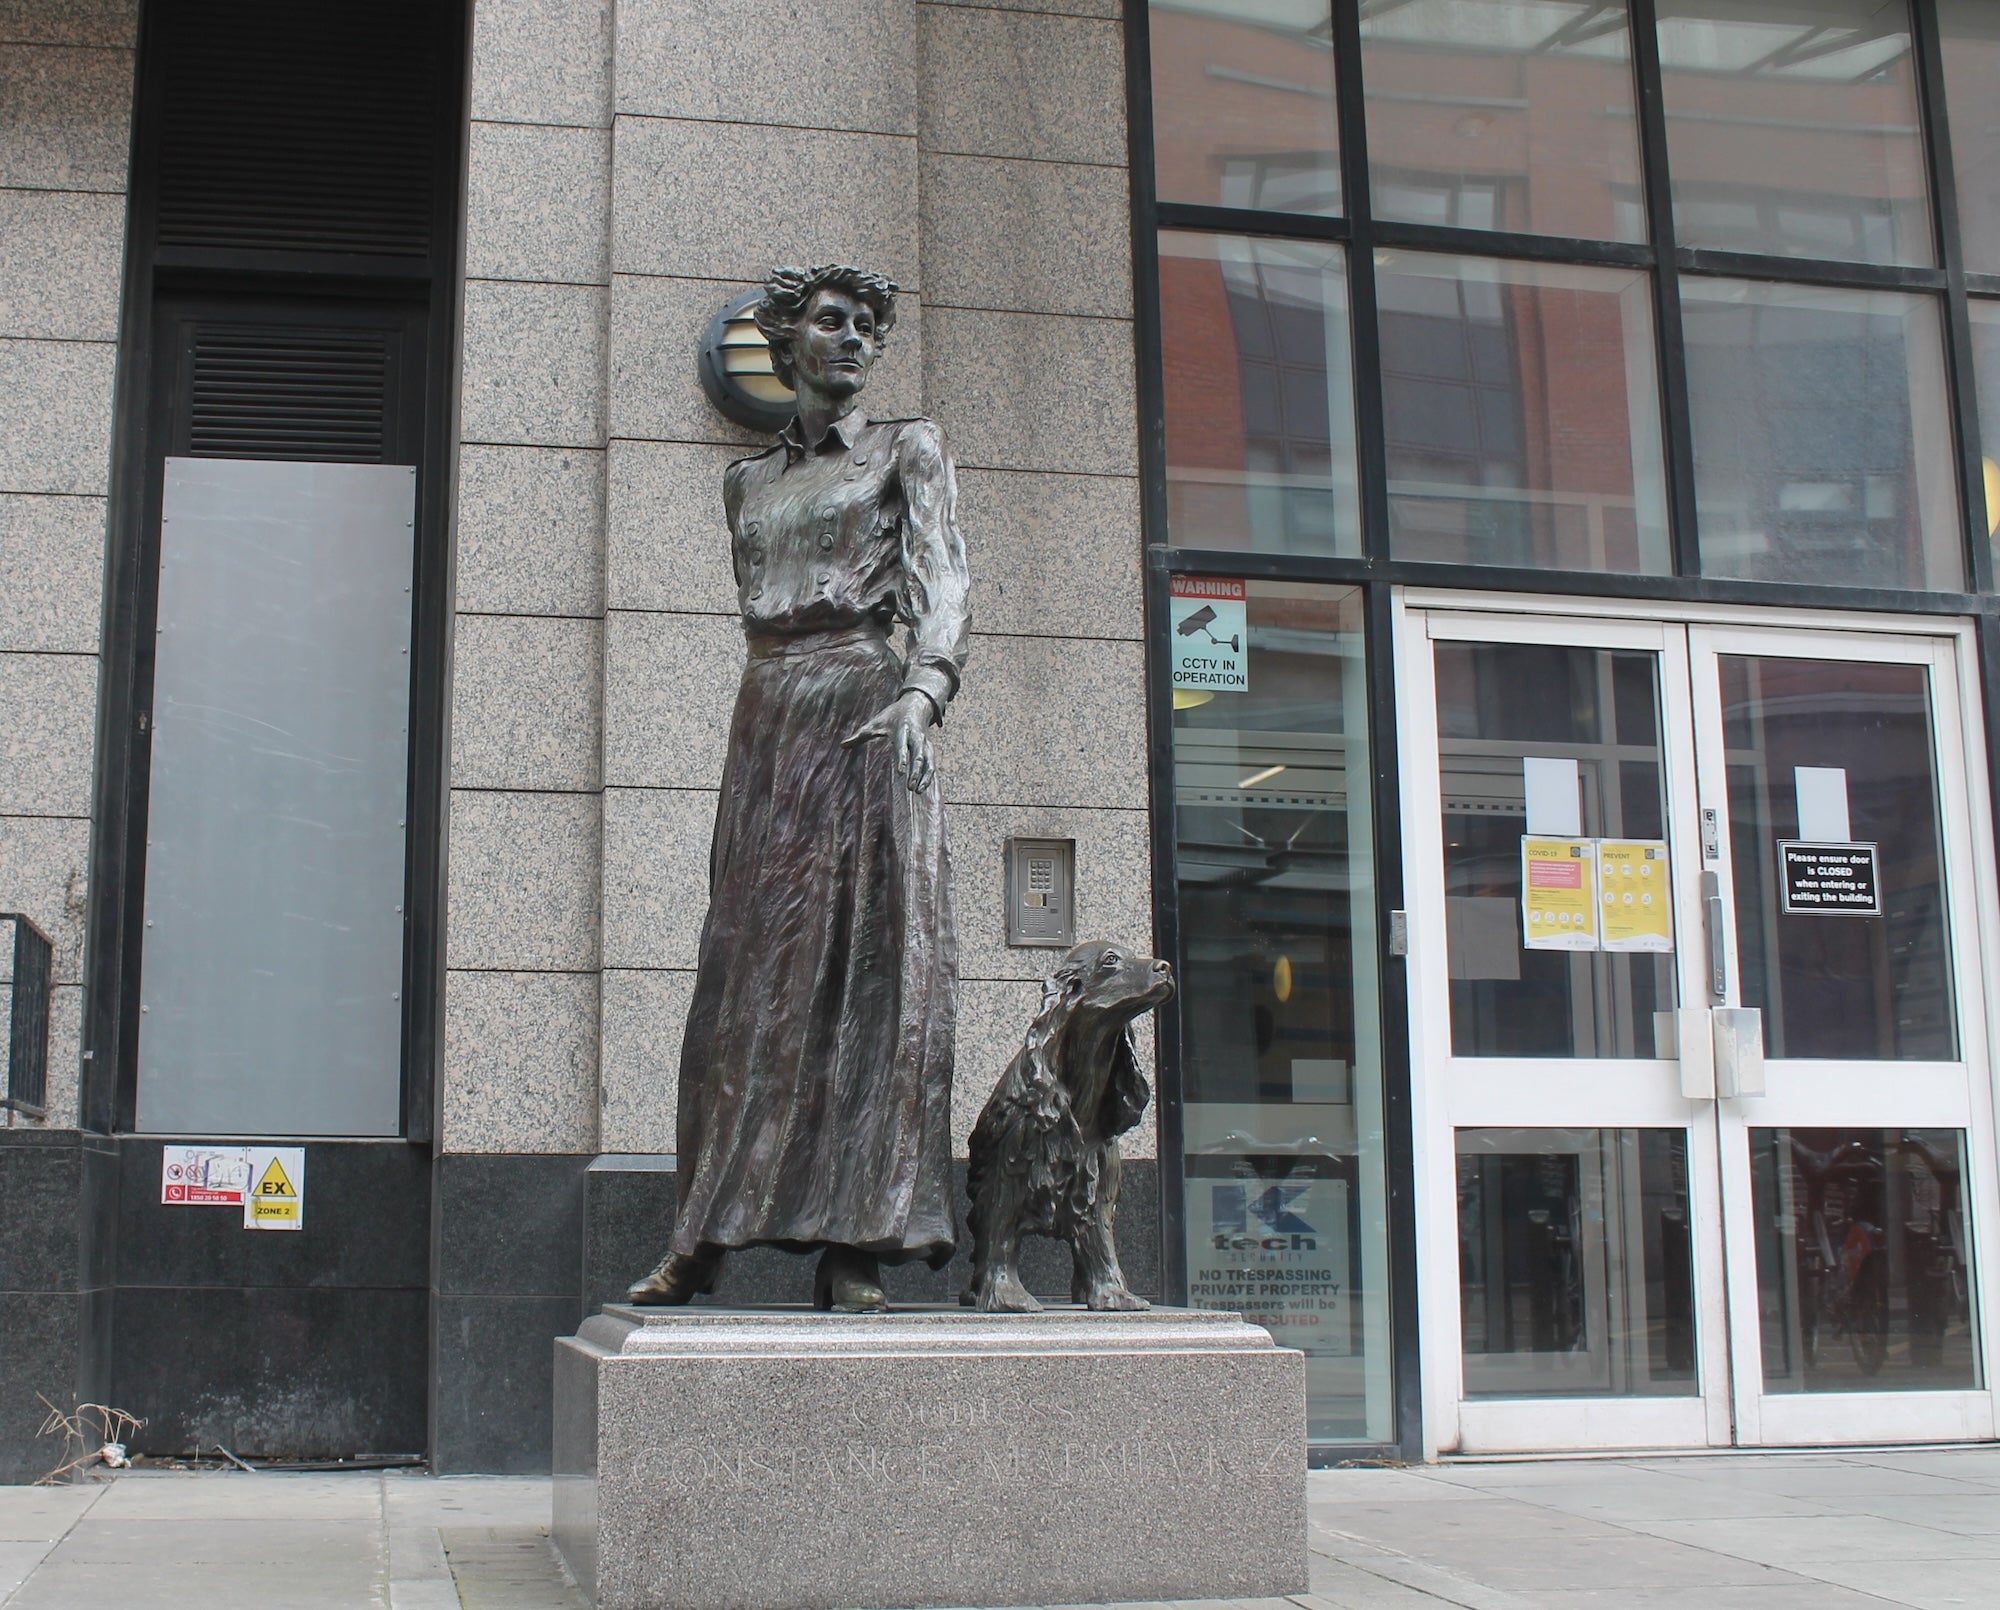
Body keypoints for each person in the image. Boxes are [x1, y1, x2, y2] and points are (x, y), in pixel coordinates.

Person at [626, 264, 970, 1312]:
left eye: (867, 324)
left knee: (868, 967)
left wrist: (924, 689)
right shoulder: (746, 481)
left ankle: (854, 1241)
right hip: (769, 712)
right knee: (745, 973)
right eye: (832, 321)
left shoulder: (904, 448)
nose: (854, 338)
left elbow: (942, 572)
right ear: (786, 344)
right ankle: (703, 1233)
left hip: (868, 704)